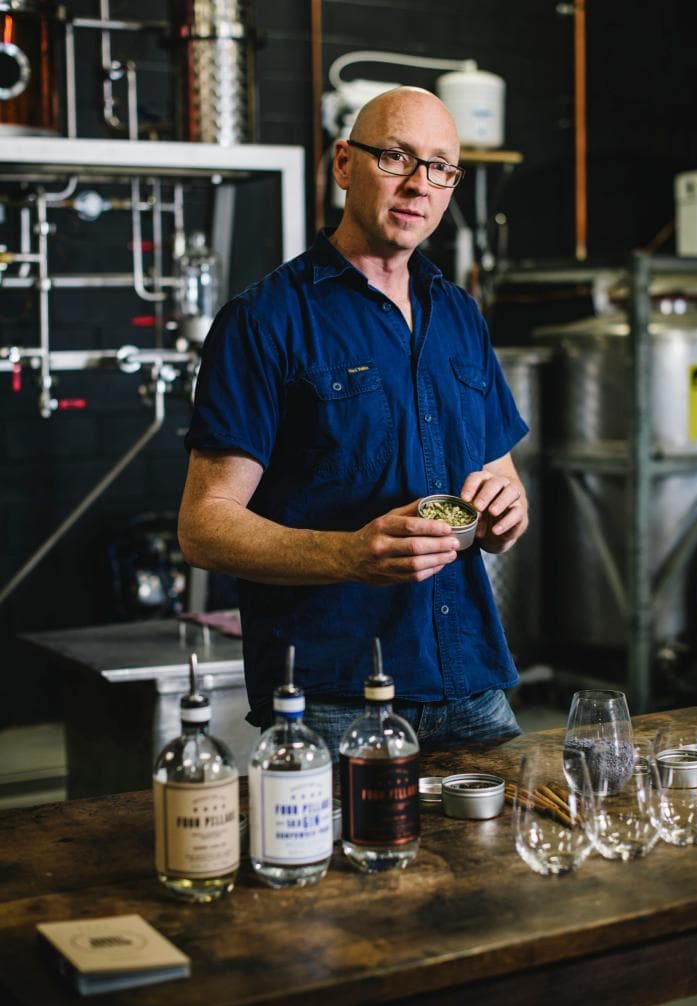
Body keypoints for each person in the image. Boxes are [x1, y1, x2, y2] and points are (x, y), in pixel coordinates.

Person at [178, 85, 530, 760]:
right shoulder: (263, 321)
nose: (418, 185)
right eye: (396, 157)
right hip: (333, 697)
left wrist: (509, 513)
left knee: (519, 855)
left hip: (470, 683)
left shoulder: (460, 315)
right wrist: (347, 553)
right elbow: (204, 525)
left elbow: (500, 483)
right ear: (344, 164)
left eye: (440, 168)